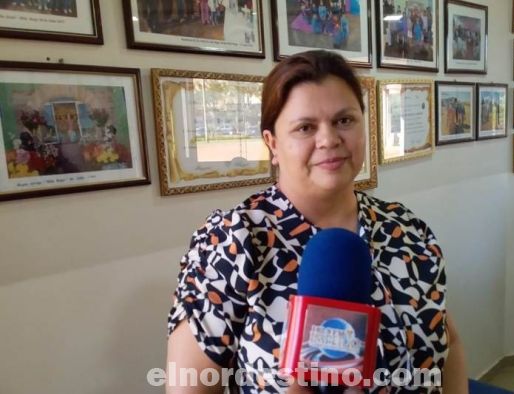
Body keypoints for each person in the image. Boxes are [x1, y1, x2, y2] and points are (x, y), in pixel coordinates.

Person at [166, 50, 468, 393]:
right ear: (273, 144)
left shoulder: (405, 229)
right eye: (306, 127)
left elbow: (449, 342)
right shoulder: (232, 241)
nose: (329, 139)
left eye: (344, 120)